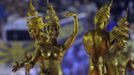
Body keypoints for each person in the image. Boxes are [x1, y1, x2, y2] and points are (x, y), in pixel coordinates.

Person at [12, 0, 78, 75]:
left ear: (59, 30)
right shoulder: (41, 47)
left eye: (56, 29)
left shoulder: (61, 47)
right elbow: (32, 63)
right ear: (47, 30)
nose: (54, 32)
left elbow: (74, 34)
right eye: (51, 29)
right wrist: (23, 66)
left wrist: (75, 18)